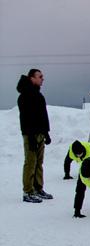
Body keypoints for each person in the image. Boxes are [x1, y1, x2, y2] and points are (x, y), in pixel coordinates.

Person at [17, 69, 52, 203]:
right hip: (30, 134)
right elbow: (26, 118)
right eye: (40, 77)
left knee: (39, 163)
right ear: (32, 78)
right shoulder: (25, 96)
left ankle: (38, 188)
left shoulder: (38, 95)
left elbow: (42, 116)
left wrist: (46, 133)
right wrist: (30, 136)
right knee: (30, 163)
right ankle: (28, 192)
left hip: (40, 134)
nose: (42, 79)